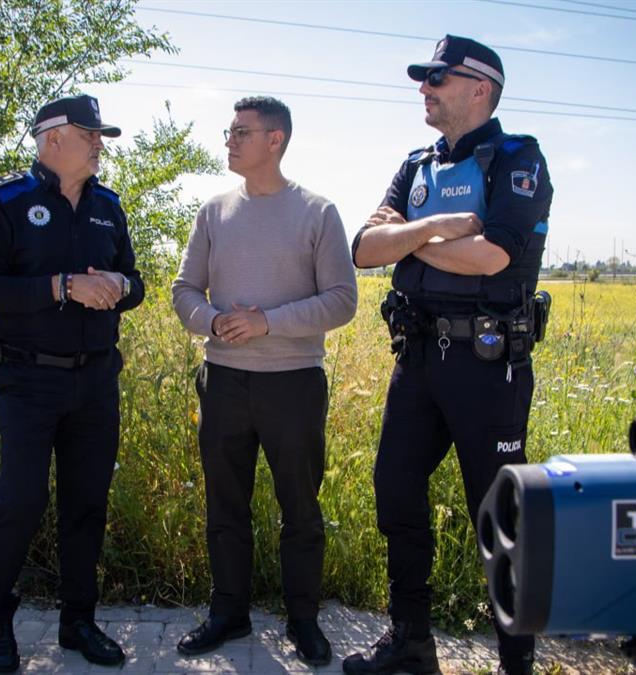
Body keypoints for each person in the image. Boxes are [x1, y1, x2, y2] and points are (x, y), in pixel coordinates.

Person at [342, 35, 553, 675]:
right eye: (424, 79)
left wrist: (406, 236)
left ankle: (515, 662)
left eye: (438, 78)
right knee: (395, 491)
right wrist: (440, 229)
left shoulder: (518, 159)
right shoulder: (418, 163)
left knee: (498, 514)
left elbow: (494, 255)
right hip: (418, 358)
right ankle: (411, 644)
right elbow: (363, 248)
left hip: (487, 367)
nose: (425, 89)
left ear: (480, 88)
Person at [171, 96, 358, 668]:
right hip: (223, 381)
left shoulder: (318, 212)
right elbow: (183, 290)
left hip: (293, 385)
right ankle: (229, 612)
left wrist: (267, 322)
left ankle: (303, 619)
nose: (229, 140)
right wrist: (213, 324)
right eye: (229, 130)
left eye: (240, 131)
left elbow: (343, 301)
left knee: (299, 507)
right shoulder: (213, 211)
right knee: (225, 504)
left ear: (275, 139)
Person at [0, 94, 145, 673]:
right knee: (19, 501)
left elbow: (135, 283)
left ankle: (78, 622)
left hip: (95, 382)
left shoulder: (108, 207)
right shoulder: (7, 201)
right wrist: (61, 286)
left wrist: (121, 283)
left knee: (86, 504)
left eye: (100, 136)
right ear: (54, 138)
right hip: (28, 380)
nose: (100, 144)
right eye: (91, 134)